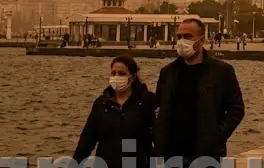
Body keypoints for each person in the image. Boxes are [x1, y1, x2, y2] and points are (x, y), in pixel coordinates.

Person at [155, 19, 245, 166]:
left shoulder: (222, 71)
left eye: (187, 36)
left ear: (201, 40)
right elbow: (158, 108)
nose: (182, 41)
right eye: (179, 37)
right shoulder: (168, 72)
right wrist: (158, 140)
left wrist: (217, 135)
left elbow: (237, 109)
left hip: (206, 154)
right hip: (171, 154)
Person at [74, 55, 157, 168]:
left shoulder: (147, 101)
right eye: (113, 73)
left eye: (122, 74)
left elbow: (160, 136)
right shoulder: (102, 103)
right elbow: (87, 139)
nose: (116, 77)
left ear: (132, 77)